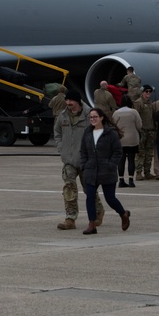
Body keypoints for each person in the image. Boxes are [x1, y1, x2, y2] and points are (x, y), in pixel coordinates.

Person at [53, 91, 104, 230]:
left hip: (86, 160)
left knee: (89, 189)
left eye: (71, 101)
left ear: (78, 101)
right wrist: (60, 147)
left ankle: (98, 211)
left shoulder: (89, 115)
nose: (68, 103)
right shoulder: (62, 116)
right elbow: (57, 132)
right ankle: (70, 218)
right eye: (67, 100)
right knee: (69, 188)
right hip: (68, 159)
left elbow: (99, 132)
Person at [79, 108, 131, 235]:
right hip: (91, 170)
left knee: (110, 198)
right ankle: (92, 224)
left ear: (102, 117)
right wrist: (85, 165)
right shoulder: (87, 133)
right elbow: (83, 151)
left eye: (95, 117)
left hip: (106, 170)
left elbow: (118, 152)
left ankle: (123, 214)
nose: (92, 119)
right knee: (90, 197)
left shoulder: (111, 134)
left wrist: (111, 164)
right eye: (91, 117)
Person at [112, 95, 142, 187]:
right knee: (131, 159)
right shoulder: (134, 112)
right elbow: (139, 125)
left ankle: (121, 180)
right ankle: (131, 180)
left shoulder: (116, 113)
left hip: (120, 139)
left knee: (121, 160)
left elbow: (113, 125)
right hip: (132, 139)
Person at [133, 85, 156, 180]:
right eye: (146, 91)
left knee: (149, 152)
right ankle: (138, 172)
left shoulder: (150, 103)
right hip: (142, 130)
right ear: (142, 92)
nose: (148, 93)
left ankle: (147, 171)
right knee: (140, 152)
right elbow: (136, 116)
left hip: (150, 130)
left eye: (150, 92)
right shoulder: (138, 103)